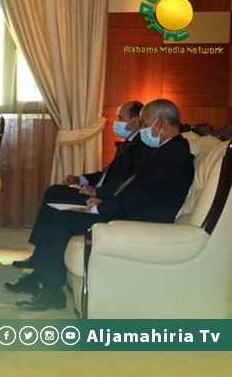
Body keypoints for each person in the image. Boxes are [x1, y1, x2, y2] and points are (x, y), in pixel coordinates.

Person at [8, 99, 194, 311]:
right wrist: (102, 202)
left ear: (159, 124)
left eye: (145, 124)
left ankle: (52, 293)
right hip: (131, 211)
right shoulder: (168, 150)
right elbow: (136, 192)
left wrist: (100, 207)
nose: (142, 129)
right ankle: (43, 278)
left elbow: (142, 196)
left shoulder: (173, 156)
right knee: (60, 213)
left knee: (62, 219)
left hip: (140, 221)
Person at [12, 101, 153, 268]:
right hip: (99, 192)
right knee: (54, 191)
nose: (116, 122)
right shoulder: (128, 143)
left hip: (106, 199)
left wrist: (97, 192)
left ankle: (41, 257)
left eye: (120, 118)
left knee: (55, 194)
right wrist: (81, 179)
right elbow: (106, 174)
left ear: (135, 121)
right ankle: (40, 253)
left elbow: (125, 183)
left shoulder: (141, 147)